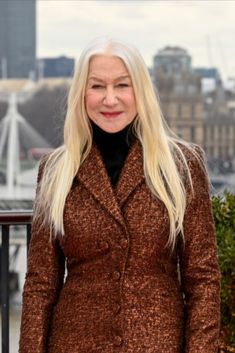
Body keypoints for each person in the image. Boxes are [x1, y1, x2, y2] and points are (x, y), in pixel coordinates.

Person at [19, 37, 221, 353]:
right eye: (97, 86)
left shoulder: (183, 164)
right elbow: (40, 286)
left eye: (122, 86)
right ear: (81, 94)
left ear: (140, 91)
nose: (110, 99)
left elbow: (203, 281)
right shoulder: (55, 169)